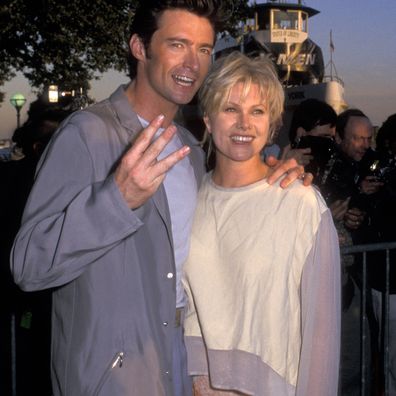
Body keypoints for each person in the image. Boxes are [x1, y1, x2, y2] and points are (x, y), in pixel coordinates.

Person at [10, 2, 309, 396]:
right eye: (177, 44)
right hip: (110, 377)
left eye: (203, 49)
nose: (193, 63)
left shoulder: (188, 148)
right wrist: (117, 199)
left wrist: (271, 171)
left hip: (177, 364)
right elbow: (28, 265)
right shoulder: (86, 135)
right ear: (139, 47)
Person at [182, 51, 341, 395]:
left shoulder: (299, 203)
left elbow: (321, 335)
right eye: (230, 109)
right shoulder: (186, 200)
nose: (244, 123)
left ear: (272, 123)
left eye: (257, 111)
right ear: (208, 119)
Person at [281, 98, 337, 183]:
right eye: (324, 136)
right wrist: (283, 168)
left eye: (332, 138)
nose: (330, 142)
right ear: (301, 133)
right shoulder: (272, 158)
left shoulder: (332, 163)